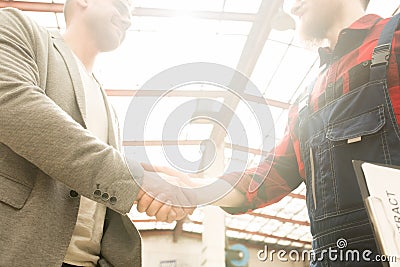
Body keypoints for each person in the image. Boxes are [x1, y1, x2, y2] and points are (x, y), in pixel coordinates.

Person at [139, 0, 400, 266]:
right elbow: (266, 180)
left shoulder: (396, 40)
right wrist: (193, 189)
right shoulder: (307, 100)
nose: (290, 6)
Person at [0, 0, 194, 266]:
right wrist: (139, 181)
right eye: (121, 6)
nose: (128, 20)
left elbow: (96, 167)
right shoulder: (17, 26)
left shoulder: (109, 108)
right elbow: (12, 103)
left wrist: (154, 181)